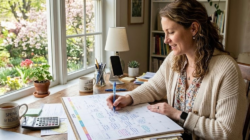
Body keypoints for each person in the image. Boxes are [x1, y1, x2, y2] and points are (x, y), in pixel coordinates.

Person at [106, 0, 248, 139]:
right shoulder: (175, 59)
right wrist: (128, 98)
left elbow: (228, 133)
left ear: (193, 28)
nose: (165, 40)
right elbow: (154, 87)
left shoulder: (227, 69)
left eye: (171, 32)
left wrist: (177, 114)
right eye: (165, 33)